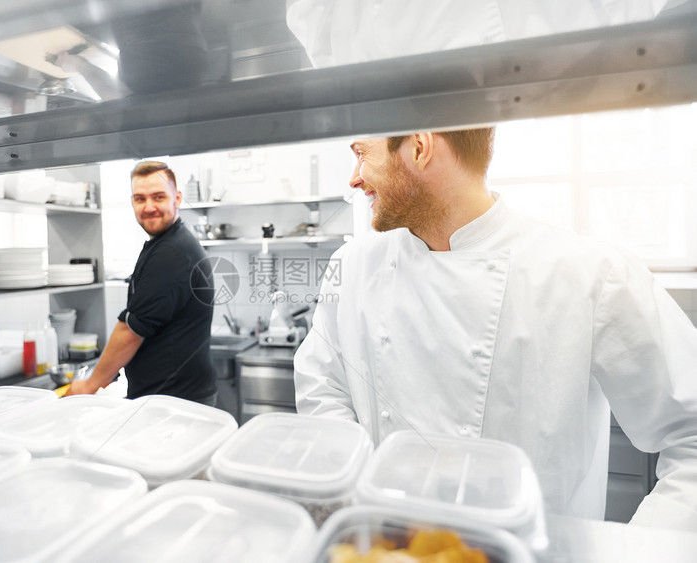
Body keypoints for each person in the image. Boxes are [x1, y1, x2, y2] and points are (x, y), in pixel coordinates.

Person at [294, 128, 697, 531]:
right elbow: (323, 385)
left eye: (362, 155)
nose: (354, 178)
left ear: (420, 147)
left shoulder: (587, 273)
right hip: (386, 548)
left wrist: (643, 550)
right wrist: (360, 488)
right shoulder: (354, 263)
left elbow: (690, 436)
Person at [66, 161, 216, 404]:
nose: (149, 207)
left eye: (158, 197)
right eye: (140, 199)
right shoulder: (167, 244)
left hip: (175, 401)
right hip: (171, 396)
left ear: (176, 199)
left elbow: (131, 330)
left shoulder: (172, 253)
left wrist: (91, 384)